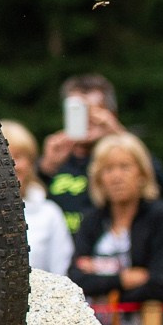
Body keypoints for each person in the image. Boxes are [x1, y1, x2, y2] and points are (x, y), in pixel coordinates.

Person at [69, 133, 163, 325]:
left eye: (124, 167)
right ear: (99, 177)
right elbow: (75, 279)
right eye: (108, 169)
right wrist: (123, 278)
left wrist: (99, 277)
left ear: (142, 174)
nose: (116, 176)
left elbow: (160, 283)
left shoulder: (161, 217)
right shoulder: (92, 220)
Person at [36, 75, 146, 235]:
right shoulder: (55, 158)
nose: (86, 119)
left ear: (111, 115)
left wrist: (118, 134)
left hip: (102, 254)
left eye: (93, 111)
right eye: (77, 110)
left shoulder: (121, 161)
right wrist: (44, 169)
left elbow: (155, 187)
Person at [2, 121, 73, 276]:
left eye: (18, 156)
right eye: (4, 157)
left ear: (31, 162)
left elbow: (62, 272)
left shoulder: (50, 213)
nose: (12, 165)